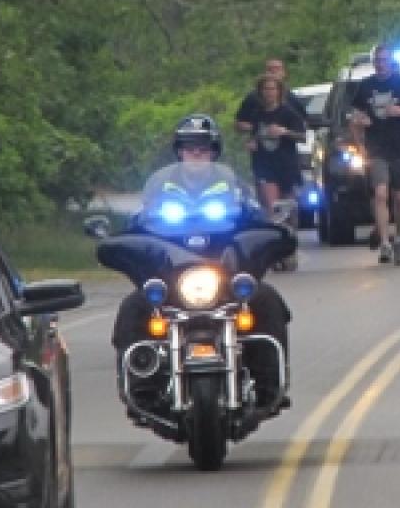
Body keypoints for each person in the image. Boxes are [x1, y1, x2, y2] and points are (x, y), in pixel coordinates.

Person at [106, 113, 292, 410]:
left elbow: (260, 220)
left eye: (203, 148)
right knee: (133, 306)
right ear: (179, 151)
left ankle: (270, 387)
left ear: (214, 152)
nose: (196, 154)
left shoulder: (235, 190)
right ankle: (140, 389)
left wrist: (274, 229)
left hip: (227, 284)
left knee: (267, 299)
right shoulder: (160, 191)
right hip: (169, 288)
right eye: (190, 147)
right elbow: (136, 227)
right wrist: (119, 239)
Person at [350, 43, 400, 266]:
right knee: (380, 194)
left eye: (384, 60)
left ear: (391, 62)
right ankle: (385, 243)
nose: (381, 64)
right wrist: (360, 141)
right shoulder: (365, 86)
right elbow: (354, 119)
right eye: (377, 61)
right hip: (376, 150)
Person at [237, 74, 306, 270]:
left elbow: (302, 136)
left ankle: (290, 248)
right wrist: (251, 143)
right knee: (273, 208)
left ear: (279, 91)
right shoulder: (257, 114)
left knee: (289, 209)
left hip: (287, 164)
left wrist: (285, 132)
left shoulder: (288, 113)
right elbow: (252, 134)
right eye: (266, 89)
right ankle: (276, 253)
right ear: (261, 92)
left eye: (273, 89)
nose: (269, 93)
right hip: (264, 164)